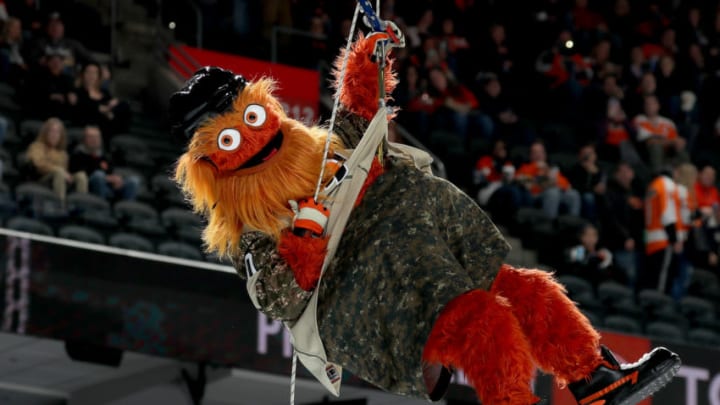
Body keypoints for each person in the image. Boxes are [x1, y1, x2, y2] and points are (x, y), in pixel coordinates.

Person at [601, 161, 645, 288]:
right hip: (619, 243)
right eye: (624, 172)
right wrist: (625, 237)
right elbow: (611, 218)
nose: (627, 175)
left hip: (636, 243)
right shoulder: (611, 193)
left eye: (629, 171)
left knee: (636, 276)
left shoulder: (634, 193)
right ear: (616, 174)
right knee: (627, 276)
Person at [68, 125, 139, 202]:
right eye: (91, 137)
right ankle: (100, 207)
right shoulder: (78, 154)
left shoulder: (105, 156)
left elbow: (110, 171)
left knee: (133, 180)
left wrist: (117, 180)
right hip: (90, 186)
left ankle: (126, 209)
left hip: (107, 186)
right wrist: (107, 179)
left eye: (97, 137)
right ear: (84, 139)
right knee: (98, 175)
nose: (95, 140)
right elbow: (81, 174)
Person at [25, 117, 87, 203]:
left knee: (81, 176)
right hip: (41, 179)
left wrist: (66, 174)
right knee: (59, 172)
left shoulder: (63, 154)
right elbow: (38, 164)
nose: (54, 135)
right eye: (52, 131)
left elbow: (65, 172)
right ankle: (60, 205)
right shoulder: (37, 146)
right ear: (45, 133)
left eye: (58, 132)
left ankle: (81, 205)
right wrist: (57, 169)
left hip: (59, 179)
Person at [515, 139, 581, 219]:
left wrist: (548, 173)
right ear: (530, 155)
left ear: (545, 154)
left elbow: (566, 185)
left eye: (541, 152)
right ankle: (548, 225)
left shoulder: (551, 169)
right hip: (537, 195)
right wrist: (535, 170)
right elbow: (520, 181)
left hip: (556, 192)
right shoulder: (526, 168)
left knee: (574, 194)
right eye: (535, 152)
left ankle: (573, 224)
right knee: (553, 192)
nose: (538, 155)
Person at [632, 94, 689, 173]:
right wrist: (671, 142)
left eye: (652, 103)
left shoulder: (668, 122)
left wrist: (679, 142)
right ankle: (657, 175)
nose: (649, 106)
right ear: (643, 106)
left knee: (682, 151)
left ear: (658, 105)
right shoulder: (639, 120)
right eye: (647, 104)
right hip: (647, 155)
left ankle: (686, 177)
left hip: (669, 154)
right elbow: (650, 142)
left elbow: (676, 141)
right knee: (656, 147)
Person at [73, 61, 131, 137]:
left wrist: (109, 111)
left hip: (107, 126)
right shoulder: (78, 92)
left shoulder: (105, 93)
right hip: (88, 125)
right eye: (88, 72)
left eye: (95, 73)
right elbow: (81, 109)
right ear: (83, 74)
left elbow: (117, 105)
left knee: (124, 106)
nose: (91, 75)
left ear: (99, 76)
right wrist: (100, 109)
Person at [472, 139, 519, 225]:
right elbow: (483, 176)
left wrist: (500, 165)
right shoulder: (485, 160)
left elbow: (510, 178)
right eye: (498, 148)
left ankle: (509, 221)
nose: (500, 151)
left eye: (502, 148)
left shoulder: (508, 164)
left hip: (502, 193)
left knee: (513, 191)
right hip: (487, 192)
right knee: (508, 191)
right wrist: (497, 167)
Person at [566, 142, 607, 223]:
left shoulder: (599, 169)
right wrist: (586, 172)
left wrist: (595, 174)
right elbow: (573, 186)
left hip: (598, 197)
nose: (587, 157)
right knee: (588, 197)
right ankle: (590, 224)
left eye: (590, 154)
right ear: (579, 156)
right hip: (580, 195)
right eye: (585, 154)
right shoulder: (575, 169)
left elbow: (603, 184)